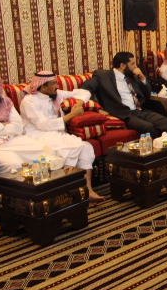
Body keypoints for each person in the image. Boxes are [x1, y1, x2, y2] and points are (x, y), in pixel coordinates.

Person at [19, 71, 105, 203]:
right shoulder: (29, 101)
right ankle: (70, 195)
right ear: (43, 86)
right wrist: (71, 115)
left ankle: (88, 190)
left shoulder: (56, 94)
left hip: (57, 133)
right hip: (38, 134)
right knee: (68, 150)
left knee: (85, 147)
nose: (57, 86)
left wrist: (79, 103)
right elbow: (43, 125)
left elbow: (84, 92)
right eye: (54, 83)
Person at [82, 52, 167, 138]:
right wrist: (98, 109)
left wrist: (142, 78)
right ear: (123, 65)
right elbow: (85, 88)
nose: (135, 66)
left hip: (139, 111)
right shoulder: (103, 76)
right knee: (148, 127)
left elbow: (147, 94)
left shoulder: (132, 76)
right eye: (132, 63)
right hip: (123, 114)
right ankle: (156, 152)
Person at [0, 72, 47, 173]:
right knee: (13, 165)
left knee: (44, 151)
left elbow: (18, 127)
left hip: (12, 138)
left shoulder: (5, 102)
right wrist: (2, 125)